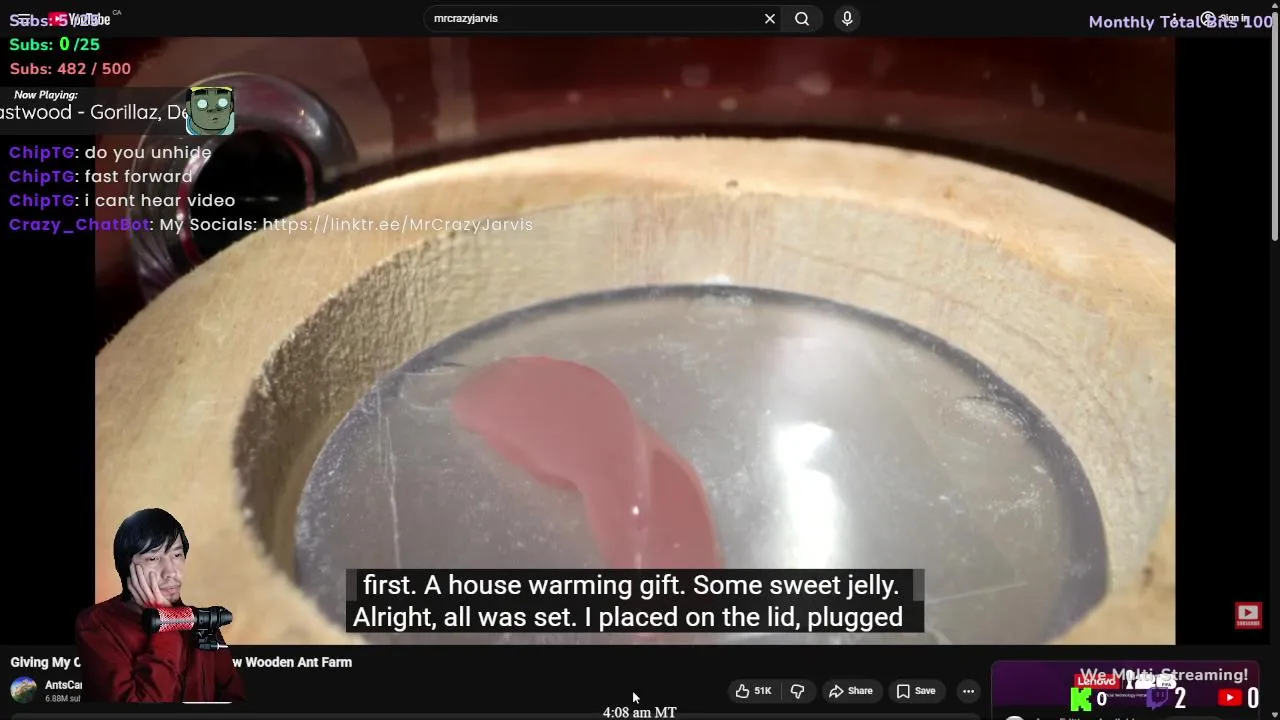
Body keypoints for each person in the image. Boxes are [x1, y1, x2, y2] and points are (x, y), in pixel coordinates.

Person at [75, 508, 245, 702]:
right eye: (153, 558)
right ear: (127, 567)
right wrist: (166, 624)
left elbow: (235, 698)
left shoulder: (201, 620)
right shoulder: (96, 624)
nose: (171, 572)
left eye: (177, 555)